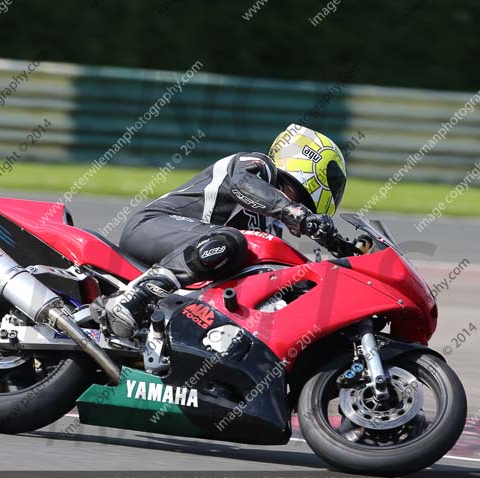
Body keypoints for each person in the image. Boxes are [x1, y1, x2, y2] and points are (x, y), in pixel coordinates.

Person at [101, 124, 347, 338]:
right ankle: (136, 296)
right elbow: (241, 184)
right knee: (231, 240)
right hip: (152, 226)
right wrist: (294, 212)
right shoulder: (258, 166)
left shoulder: (270, 227)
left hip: (191, 261)